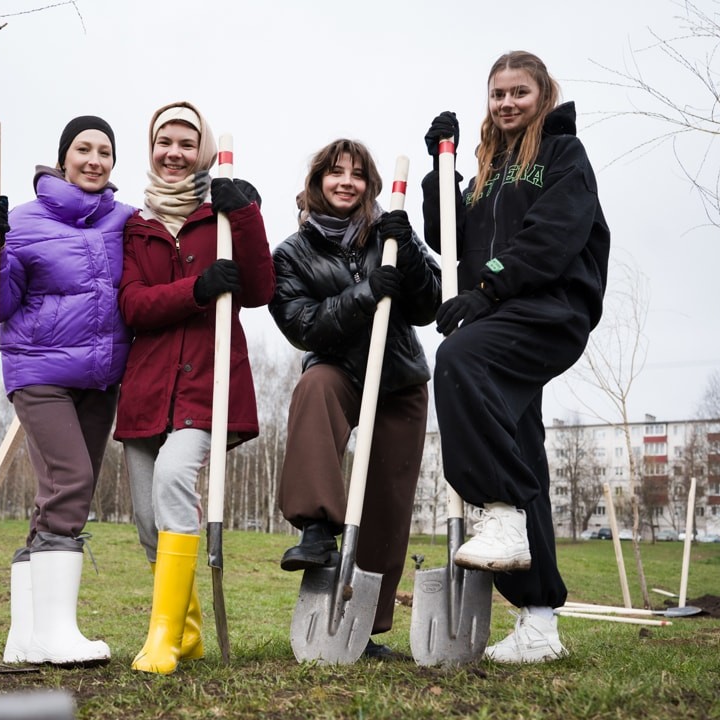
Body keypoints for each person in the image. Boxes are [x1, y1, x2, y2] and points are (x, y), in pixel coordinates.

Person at [421, 51, 610, 663]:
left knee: (459, 361)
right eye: (498, 93)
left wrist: (489, 287)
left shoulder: (562, 155)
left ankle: (501, 511)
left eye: (519, 92)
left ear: (542, 94)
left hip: (550, 309)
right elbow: (446, 235)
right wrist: (440, 169)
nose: (507, 103)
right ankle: (539, 622)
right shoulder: (488, 169)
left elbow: (553, 237)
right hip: (499, 312)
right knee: (520, 447)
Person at [0, 115, 133, 666]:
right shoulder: (23, 221)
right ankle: (57, 633)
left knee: (57, 495)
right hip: (40, 374)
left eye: (104, 151)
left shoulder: (127, 220)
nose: (94, 160)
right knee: (71, 481)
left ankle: (25, 637)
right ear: (63, 159)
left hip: (101, 379)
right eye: (83, 149)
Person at [114, 101, 275, 674]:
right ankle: (186, 631)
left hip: (207, 384)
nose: (174, 153)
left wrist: (247, 213)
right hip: (147, 388)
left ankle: (161, 637)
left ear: (203, 150)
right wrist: (197, 290)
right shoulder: (137, 226)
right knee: (146, 518)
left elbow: (260, 289)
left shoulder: (223, 216)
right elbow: (132, 304)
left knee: (173, 478)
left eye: (187, 143)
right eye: (165, 142)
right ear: (152, 148)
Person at [269, 139, 441, 660]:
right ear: (317, 180)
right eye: (335, 172)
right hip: (340, 369)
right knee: (313, 388)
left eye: (358, 174)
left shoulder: (390, 232)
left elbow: (430, 304)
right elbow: (302, 326)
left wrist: (407, 251)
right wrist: (365, 295)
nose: (346, 182)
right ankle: (317, 528)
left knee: (388, 501)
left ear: (370, 184)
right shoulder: (291, 254)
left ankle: (364, 626)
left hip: (398, 377)